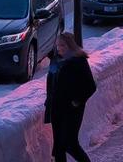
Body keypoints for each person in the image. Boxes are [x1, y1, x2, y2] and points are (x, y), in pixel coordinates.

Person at [44, 32, 97, 162]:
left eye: (63, 45)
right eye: (57, 45)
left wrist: (76, 101)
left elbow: (90, 86)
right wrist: (49, 100)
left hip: (72, 110)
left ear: (70, 46)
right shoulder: (56, 60)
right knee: (58, 147)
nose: (59, 48)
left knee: (70, 144)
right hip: (56, 108)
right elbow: (51, 83)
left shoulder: (78, 61)